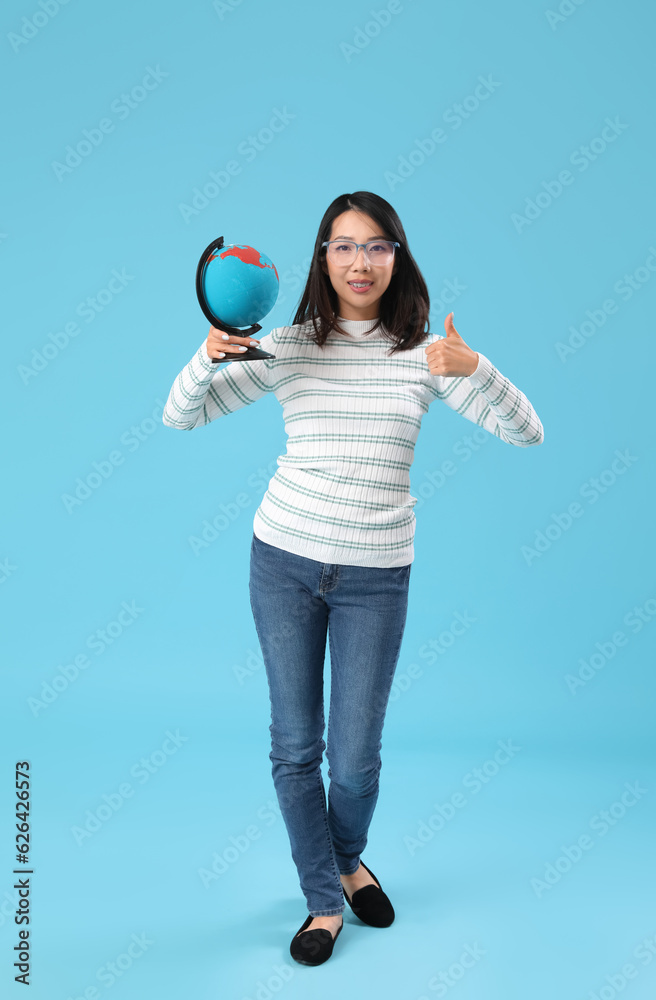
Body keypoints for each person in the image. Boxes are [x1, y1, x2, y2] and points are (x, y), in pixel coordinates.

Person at [162, 191, 544, 966]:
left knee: (358, 756)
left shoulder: (425, 353)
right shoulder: (290, 345)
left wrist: (478, 367)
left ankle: (344, 855)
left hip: (376, 573)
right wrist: (206, 355)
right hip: (284, 564)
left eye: (375, 246)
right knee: (296, 744)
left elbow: (526, 432)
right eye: (343, 246)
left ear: (396, 257)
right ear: (322, 258)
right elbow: (182, 415)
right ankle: (323, 898)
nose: (359, 261)